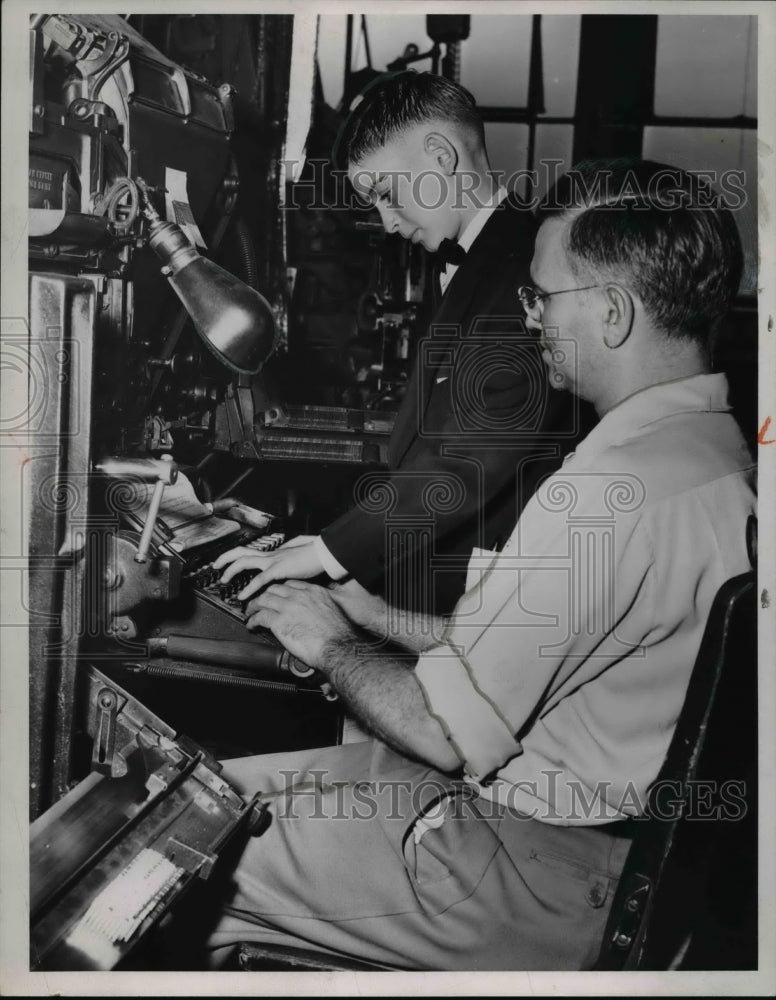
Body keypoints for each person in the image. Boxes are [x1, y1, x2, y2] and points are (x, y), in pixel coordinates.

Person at [199, 159, 755, 971]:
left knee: (179, 848)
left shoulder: (607, 493)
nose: (529, 319)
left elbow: (443, 732)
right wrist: (376, 617)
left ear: (611, 312)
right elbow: (536, 650)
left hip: (537, 870)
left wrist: (327, 641)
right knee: (220, 790)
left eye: (542, 296)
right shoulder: (714, 453)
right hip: (602, 852)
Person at [215, 71, 585, 616]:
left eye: (387, 194)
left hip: (483, 599)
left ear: (440, 156)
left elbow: (465, 464)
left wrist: (329, 550)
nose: (387, 223)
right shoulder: (471, 261)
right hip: (435, 574)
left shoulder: (524, 270)